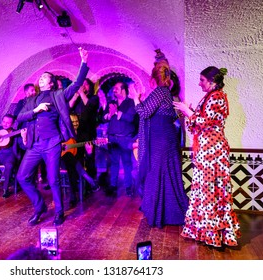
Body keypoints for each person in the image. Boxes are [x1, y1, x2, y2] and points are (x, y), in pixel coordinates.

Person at [16, 47, 89, 226]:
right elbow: (20, 117)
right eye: (40, 77)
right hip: (35, 145)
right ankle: (40, 206)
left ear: (51, 83)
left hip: (53, 143)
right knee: (22, 176)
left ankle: (59, 212)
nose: (41, 78)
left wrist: (84, 63)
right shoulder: (32, 100)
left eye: (45, 77)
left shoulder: (58, 95)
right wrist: (35, 110)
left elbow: (77, 84)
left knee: (53, 179)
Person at [173, 66, 241, 248]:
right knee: (205, 190)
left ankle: (215, 233)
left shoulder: (218, 96)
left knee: (212, 190)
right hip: (207, 149)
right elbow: (199, 123)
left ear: (212, 82)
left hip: (213, 150)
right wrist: (191, 112)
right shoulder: (210, 97)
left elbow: (206, 122)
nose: (199, 83)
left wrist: (188, 112)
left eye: (202, 80)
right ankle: (204, 231)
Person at [133, 53, 188, 228]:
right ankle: (166, 212)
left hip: (161, 141)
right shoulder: (166, 93)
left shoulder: (160, 91)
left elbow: (143, 112)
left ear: (153, 78)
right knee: (164, 174)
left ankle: (160, 213)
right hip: (165, 139)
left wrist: (136, 99)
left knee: (157, 174)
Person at [103, 81, 139, 196]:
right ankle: (113, 185)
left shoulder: (130, 103)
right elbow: (103, 118)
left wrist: (118, 113)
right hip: (113, 138)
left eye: (116, 88)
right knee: (114, 163)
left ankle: (128, 187)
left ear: (123, 90)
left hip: (125, 139)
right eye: (113, 88)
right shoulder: (111, 102)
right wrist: (109, 114)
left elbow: (130, 118)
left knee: (127, 164)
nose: (114, 90)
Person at [69, 78, 100, 193]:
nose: (83, 86)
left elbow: (89, 108)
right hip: (76, 135)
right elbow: (68, 107)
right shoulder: (78, 99)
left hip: (89, 134)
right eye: (82, 85)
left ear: (90, 87)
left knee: (90, 159)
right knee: (78, 159)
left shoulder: (94, 98)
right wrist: (76, 95)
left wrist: (82, 93)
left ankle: (92, 183)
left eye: (86, 84)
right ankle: (80, 183)